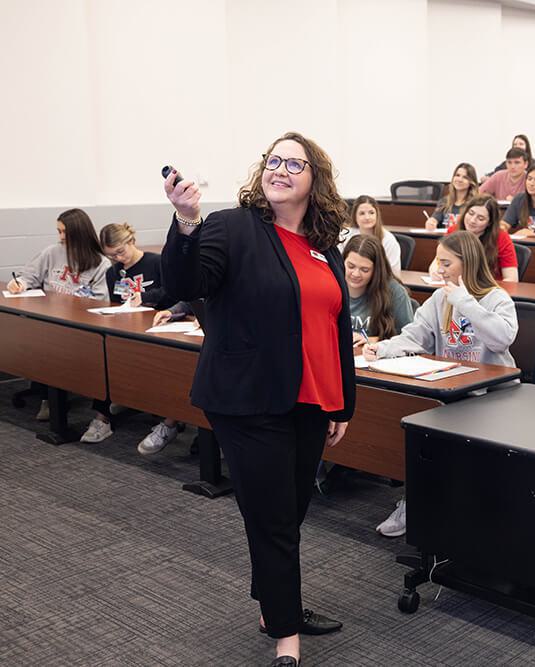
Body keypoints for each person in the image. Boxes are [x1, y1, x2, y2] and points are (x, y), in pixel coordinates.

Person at [161, 131, 356, 667]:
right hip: (248, 399)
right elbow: (183, 280)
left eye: (295, 164)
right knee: (273, 520)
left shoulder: (324, 244)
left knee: (287, 513)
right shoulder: (231, 228)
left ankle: (276, 605)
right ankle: (285, 639)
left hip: (312, 399)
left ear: (316, 179)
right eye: (274, 161)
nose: (281, 170)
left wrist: (342, 403)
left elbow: (335, 327)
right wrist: (185, 222)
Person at [364, 231, 518, 538]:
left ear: (467, 263)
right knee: (409, 420)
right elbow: (416, 335)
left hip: (491, 396)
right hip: (449, 389)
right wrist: (383, 348)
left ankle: (467, 507)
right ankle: (416, 499)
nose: (440, 268)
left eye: (446, 262)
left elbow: (503, 337)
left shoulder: (496, 297)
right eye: (438, 261)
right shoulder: (439, 298)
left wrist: (466, 302)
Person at [76, 223, 178, 446]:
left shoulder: (155, 262)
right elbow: (116, 302)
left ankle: (168, 417)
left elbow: (173, 292)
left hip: (158, 326)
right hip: (127, 327)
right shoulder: (113, 272)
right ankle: (102, 418)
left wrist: (147, 297)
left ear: (132, 241)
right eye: (112, 255)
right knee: (106, 357)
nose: (118, 258)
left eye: (121, 252)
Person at [6, 209, 111, 422]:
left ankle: (53, 399)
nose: (61, 237)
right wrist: (19, 284)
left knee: (54, 348)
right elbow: (29, 277)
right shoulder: (51, 252)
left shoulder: (100, 263)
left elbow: (101, 301)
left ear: (79, 233)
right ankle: (48, 396)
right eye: (59, 231)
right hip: (47, 319)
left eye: (65, 232)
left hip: (78, 326)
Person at [342, 234, 413, 346]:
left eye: (365, 270)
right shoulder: (332, 284)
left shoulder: (394, 292)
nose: (355, 274)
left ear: (376, 270)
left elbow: (409, 338)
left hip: (376, 358)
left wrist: (374, 340)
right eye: (351, 266)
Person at [435, 195, 518, 282]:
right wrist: (435, 273)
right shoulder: (454, 230)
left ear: (489, 223)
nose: (472, 220)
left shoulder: (501, 237)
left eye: (480, 218)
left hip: (488, 289)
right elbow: (437, 262)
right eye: (470, 213)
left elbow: (512, 279)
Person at [340, 196, 401, 276]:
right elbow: (339, 264)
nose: (367, 217)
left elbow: (394, 274)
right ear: (355, 216)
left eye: (371, 213)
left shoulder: (389, 240)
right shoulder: (345, 234)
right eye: (362, 213)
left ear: (377, 215)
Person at [427, 163, 478, 230]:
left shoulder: (475, 203)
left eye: (465, 177)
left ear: (471, 182)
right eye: (457, 175)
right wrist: (431, 222)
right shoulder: (444, 201)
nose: (460, 179)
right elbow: (435, 219)